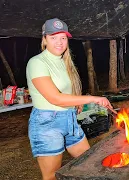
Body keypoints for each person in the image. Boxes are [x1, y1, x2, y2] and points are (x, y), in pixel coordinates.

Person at [26, 18, 114, 180]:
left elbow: (67, 91)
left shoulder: (63, 61)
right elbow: (55, 98)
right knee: (51, 176)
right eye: (53, 37)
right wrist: (91, 99)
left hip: (69, 119)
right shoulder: (37, 63)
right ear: (44, 39)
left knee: (88, 161)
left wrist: (76, 104)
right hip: (47, 124)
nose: (59, 42)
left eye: (63, 38)